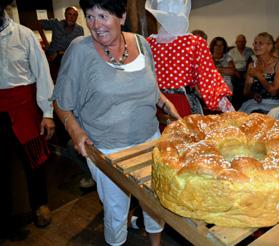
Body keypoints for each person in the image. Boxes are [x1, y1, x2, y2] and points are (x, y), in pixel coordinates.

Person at [52, 0, 180, 245]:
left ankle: (155, 243)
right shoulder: (80, 50)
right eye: (89, 17)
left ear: (121, 17)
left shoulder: (142, 44)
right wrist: (75, 131)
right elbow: (61, 102)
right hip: (108, 150)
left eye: (103, 16)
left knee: (155, 202)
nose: (95, 25)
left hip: (150, 141)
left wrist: (164, 103)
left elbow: (150, 86)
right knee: (116, 212)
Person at [0, 0, 55, 238]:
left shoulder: (23, 35)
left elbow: (42, 73)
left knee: (34, 159)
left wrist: (47, 113)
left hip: (24, 107)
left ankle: (40, 203)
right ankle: (4, 218)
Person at [145, 0, 233, 118]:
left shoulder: (147, 43)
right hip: (182, 104)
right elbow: (209, 82)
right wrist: (232, 113)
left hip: (156, 107)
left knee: (161, 136)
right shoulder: (194, 43)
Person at [239, 32, 279, 114]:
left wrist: (259, 75)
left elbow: (274, 92)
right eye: (255, 43)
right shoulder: (252, 65)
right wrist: (253, 94)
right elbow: (246, 92)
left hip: (276, 104)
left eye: (260, 43)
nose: (256, 46)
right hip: (256, 103)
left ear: (269, 47)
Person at [38, 6, 84, 80]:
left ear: (77, 17)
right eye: (69, 14)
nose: (72, 17)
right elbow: (39, 23)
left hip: (69, 58)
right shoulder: (56, 24)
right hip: (55, 56)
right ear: (65, 15)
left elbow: (79, 46)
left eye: (74, 15)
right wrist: (45, 42)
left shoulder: (79, 29)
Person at [227, 34, 254, 109]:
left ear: (245, 42)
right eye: (239, 41)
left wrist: (248, 73)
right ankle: (236, 103)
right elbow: (230, 64)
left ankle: (246, 101)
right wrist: (236, 72)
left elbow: (252, 62)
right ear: (236, 42)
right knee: (236, 81)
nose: (241, 43)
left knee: (249, 80)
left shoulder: (249, 50)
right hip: (236, 71)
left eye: (243, 41)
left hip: (247, 71)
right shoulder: (231, 52)